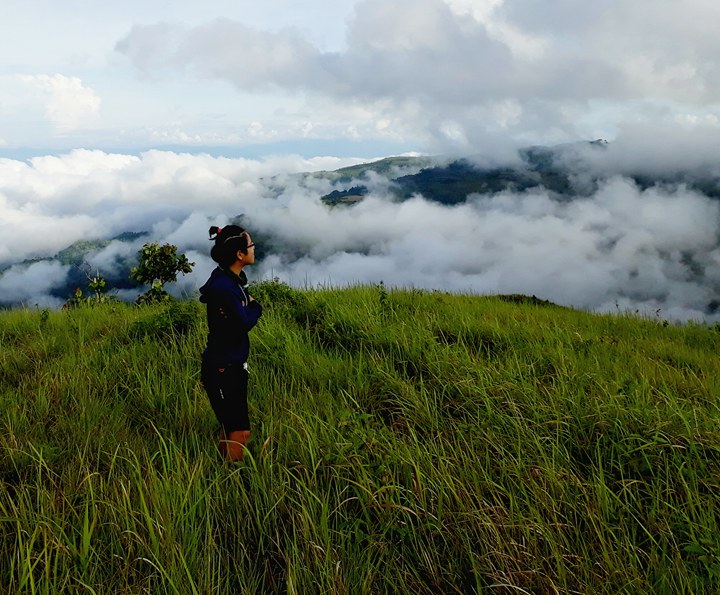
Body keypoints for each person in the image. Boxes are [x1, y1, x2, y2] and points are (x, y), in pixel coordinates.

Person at [199, 224, 262, 461]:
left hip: (230, 363)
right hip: (224, 367)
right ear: (239, 254)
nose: (254, 249)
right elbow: (245, 321)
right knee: (240, 431)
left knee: (231, 429)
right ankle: (233, 478)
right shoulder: (225, 287)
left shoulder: (230, 279)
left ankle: (223, 470)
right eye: (251, 246)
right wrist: (256, 306)